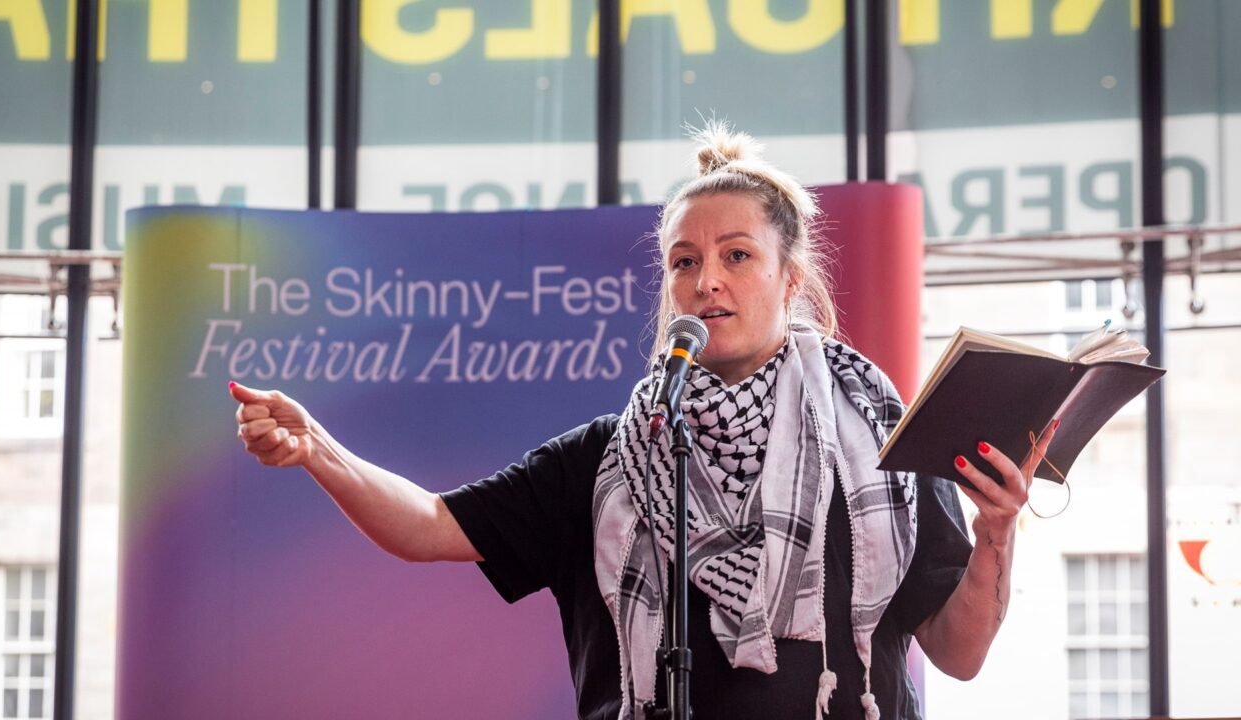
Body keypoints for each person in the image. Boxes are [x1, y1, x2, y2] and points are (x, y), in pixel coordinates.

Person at [229, 123, 1057, 720]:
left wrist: (995, 534)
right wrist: (319, 451)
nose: (707, 282)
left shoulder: (881, 446)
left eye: (738, 256)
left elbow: (961, 654)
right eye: (685, 262)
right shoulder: (608, 460)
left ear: (791, 281)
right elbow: (430, 525)